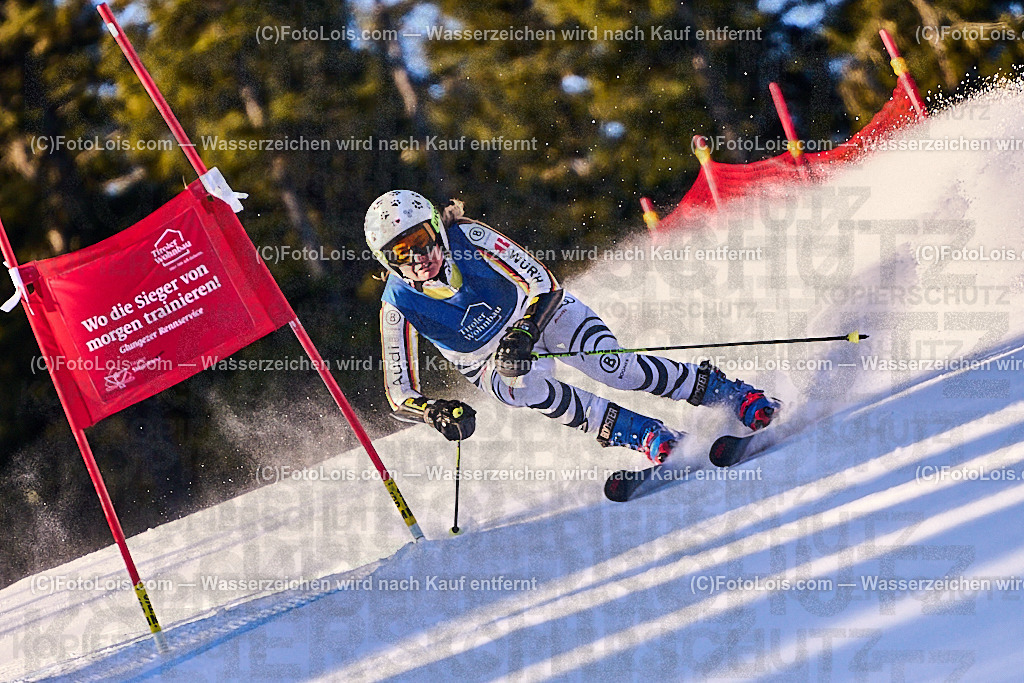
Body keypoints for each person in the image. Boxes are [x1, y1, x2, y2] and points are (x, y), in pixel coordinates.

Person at [366, 190, 778, 464]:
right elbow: (400, 395)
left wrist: (525, 330)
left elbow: (542, 282)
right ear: (386, 262)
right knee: (518, 386)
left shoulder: (468, 236)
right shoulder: (396, 306)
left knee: (616, 368)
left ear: (436, 229)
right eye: (400, 253)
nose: (417, 258)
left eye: (420, 240)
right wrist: (436, 411)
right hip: (488, 359)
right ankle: (644, 434)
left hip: (537, 314)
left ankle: (732, 393)